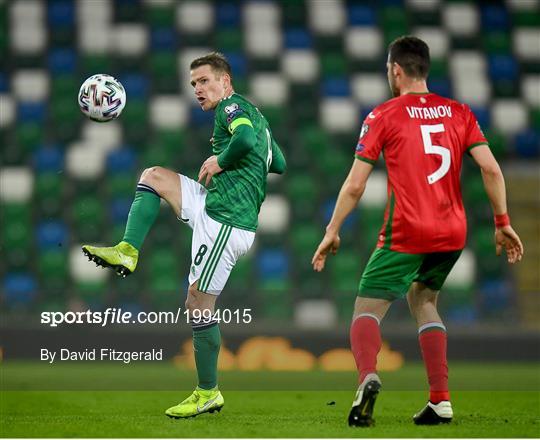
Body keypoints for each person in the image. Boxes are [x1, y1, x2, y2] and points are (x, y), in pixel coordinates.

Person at [312, 36, 524, 427]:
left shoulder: (384, 115)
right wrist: (502, 222)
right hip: (452, 231)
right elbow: (492, 168)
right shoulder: (460, 112)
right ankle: (440, 401)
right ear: (424, 69)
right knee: (424, 300)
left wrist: (332, 229)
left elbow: (356, 184)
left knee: (366, 308)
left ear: (395, 70)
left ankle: (367, 379)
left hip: (407, 229)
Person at [82, 52, 286, 418]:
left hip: (228, 222)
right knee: (153, 176)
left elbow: (244, 140)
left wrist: (221, 160)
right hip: (214, 204)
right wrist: (248, 161)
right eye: (193, 83)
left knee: (197, 305)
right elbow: (280, 162)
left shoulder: (230, 107)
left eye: (204, 80)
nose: (198, 89)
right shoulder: (254, 114)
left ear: (225, 81)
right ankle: (128, 249)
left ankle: (207, 392)